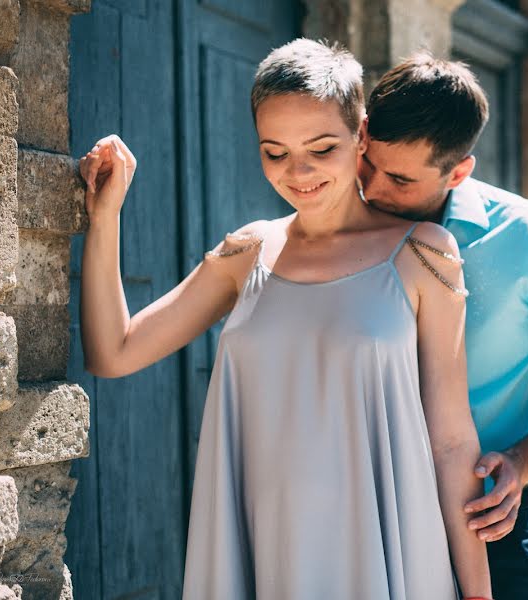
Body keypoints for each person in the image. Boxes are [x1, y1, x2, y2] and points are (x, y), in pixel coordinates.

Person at [77, 39, 493, 600]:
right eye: (275, 152)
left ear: (361, 135)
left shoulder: (425, 253)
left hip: (389, 554)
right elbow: (114, 351)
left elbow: (450, 440)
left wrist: (478, 592)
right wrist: (106, 218)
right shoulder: (247, 252)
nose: (299, 173)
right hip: (268, 553)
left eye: (321, 148)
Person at [358, 52, 528, 599]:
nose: (372, 189)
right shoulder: (336, 221)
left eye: (400, 179)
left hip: (484, 517)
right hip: (362, 512)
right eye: (367, 163)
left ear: (458, 172)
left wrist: (520, 464)